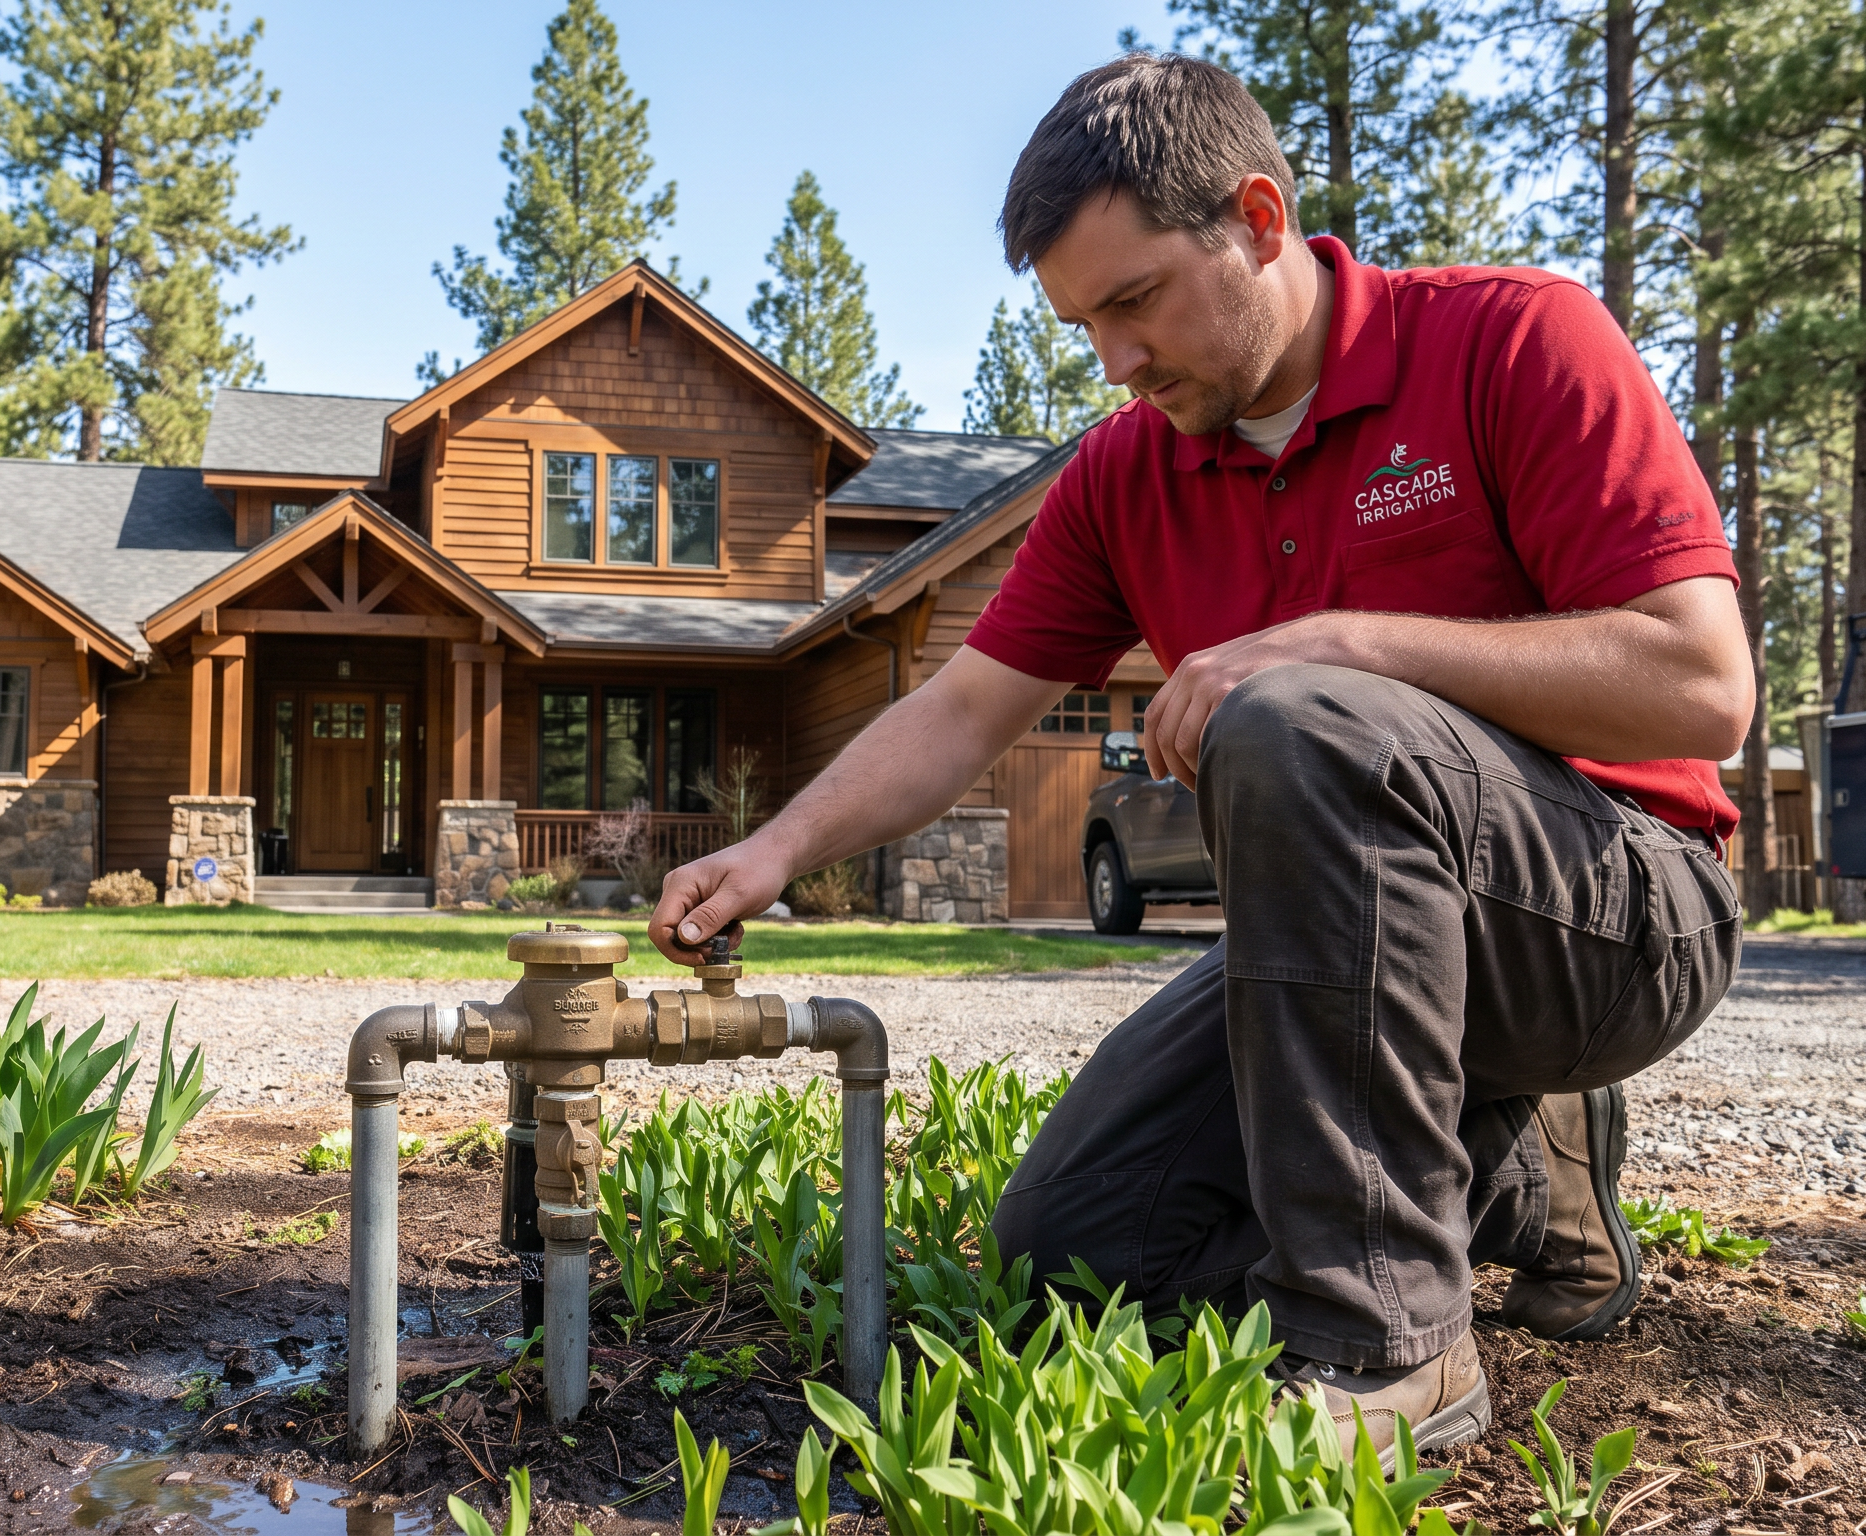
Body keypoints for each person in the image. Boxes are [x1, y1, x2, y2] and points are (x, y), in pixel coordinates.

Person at [649, 52, 1746, 1453]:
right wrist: (771, 850)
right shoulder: (1126, 472)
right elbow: (962, 711)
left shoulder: (1513, 339)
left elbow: (1703, 686)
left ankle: (1392, 1344)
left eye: (1134, 301)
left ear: (1259, 221)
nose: (1115, 361)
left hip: (1620, 916)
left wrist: (1342, 643)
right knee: (1077, 1251)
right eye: (1081, 325)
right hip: (1354, 948)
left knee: (1298, 715)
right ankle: (1528, 1175)